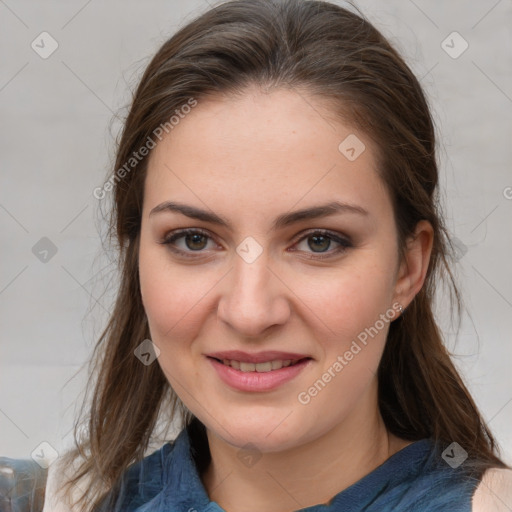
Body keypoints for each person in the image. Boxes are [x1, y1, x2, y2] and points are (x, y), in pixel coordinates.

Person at [44, 0, 512, 511]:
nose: (250, 312)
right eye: (194, 240)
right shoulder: (54, 499)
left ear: (407, 268)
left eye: (318, 241)